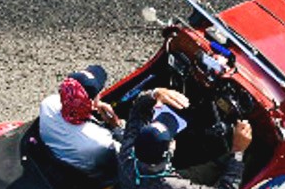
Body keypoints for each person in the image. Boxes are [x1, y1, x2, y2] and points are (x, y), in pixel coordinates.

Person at [37, 65, 189, 177]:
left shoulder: (48, 104)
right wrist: (116, 125)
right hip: (90, 172)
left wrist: (93, 106)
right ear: (92, 102)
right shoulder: (100, 142)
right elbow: (132, 152)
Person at [115, 105, 253, 189]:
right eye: (171, 140)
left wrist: (155, 94)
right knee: (248, 160)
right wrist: (238, 151)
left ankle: (223, 162)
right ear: (168, 152)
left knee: (216, 165)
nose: (173, 140)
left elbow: (137, 113)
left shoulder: (127, 153)